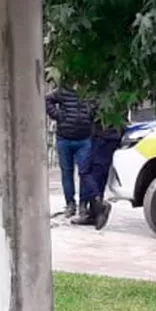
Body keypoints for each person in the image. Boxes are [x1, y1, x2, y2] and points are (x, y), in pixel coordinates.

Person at [46, 83, 96, 216]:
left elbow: (97, 105)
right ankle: (70, 204)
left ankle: (83, 205)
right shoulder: (63, 90)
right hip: (65, 138)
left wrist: (90, 114)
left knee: (84, 172)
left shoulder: (90, 90)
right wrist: (57, 115)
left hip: (84, 139)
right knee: (67, 173)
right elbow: (47, 99)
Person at [75, 118, 124, 229]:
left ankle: (98, 205)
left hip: (105, 135)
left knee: (86, 171)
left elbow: (92, 111)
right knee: (97, 175)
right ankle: (95, 212)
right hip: (105, 134)